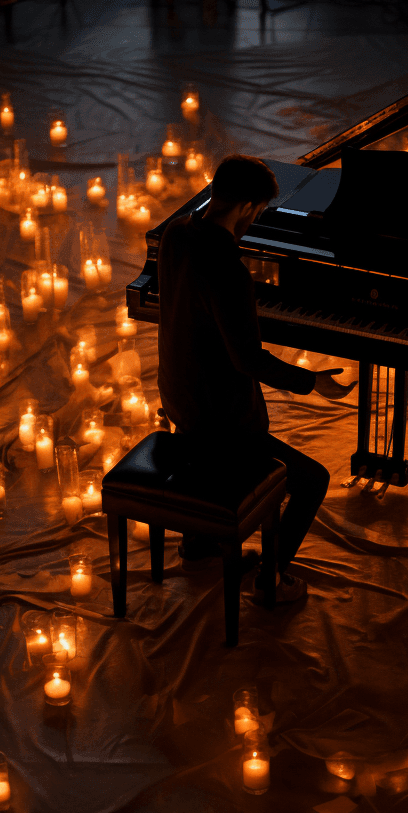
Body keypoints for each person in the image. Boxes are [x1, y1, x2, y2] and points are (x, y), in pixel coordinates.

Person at [157, 154, 354, 601]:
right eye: (260, 212)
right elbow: (248, 359)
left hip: (176, 396)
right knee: (311, 480)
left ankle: (199, 546)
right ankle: (270, 579)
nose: (257, 220)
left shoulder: (176, 232)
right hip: (219, 422)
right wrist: (312, 381)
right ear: (247, 207)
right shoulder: (228, 269)